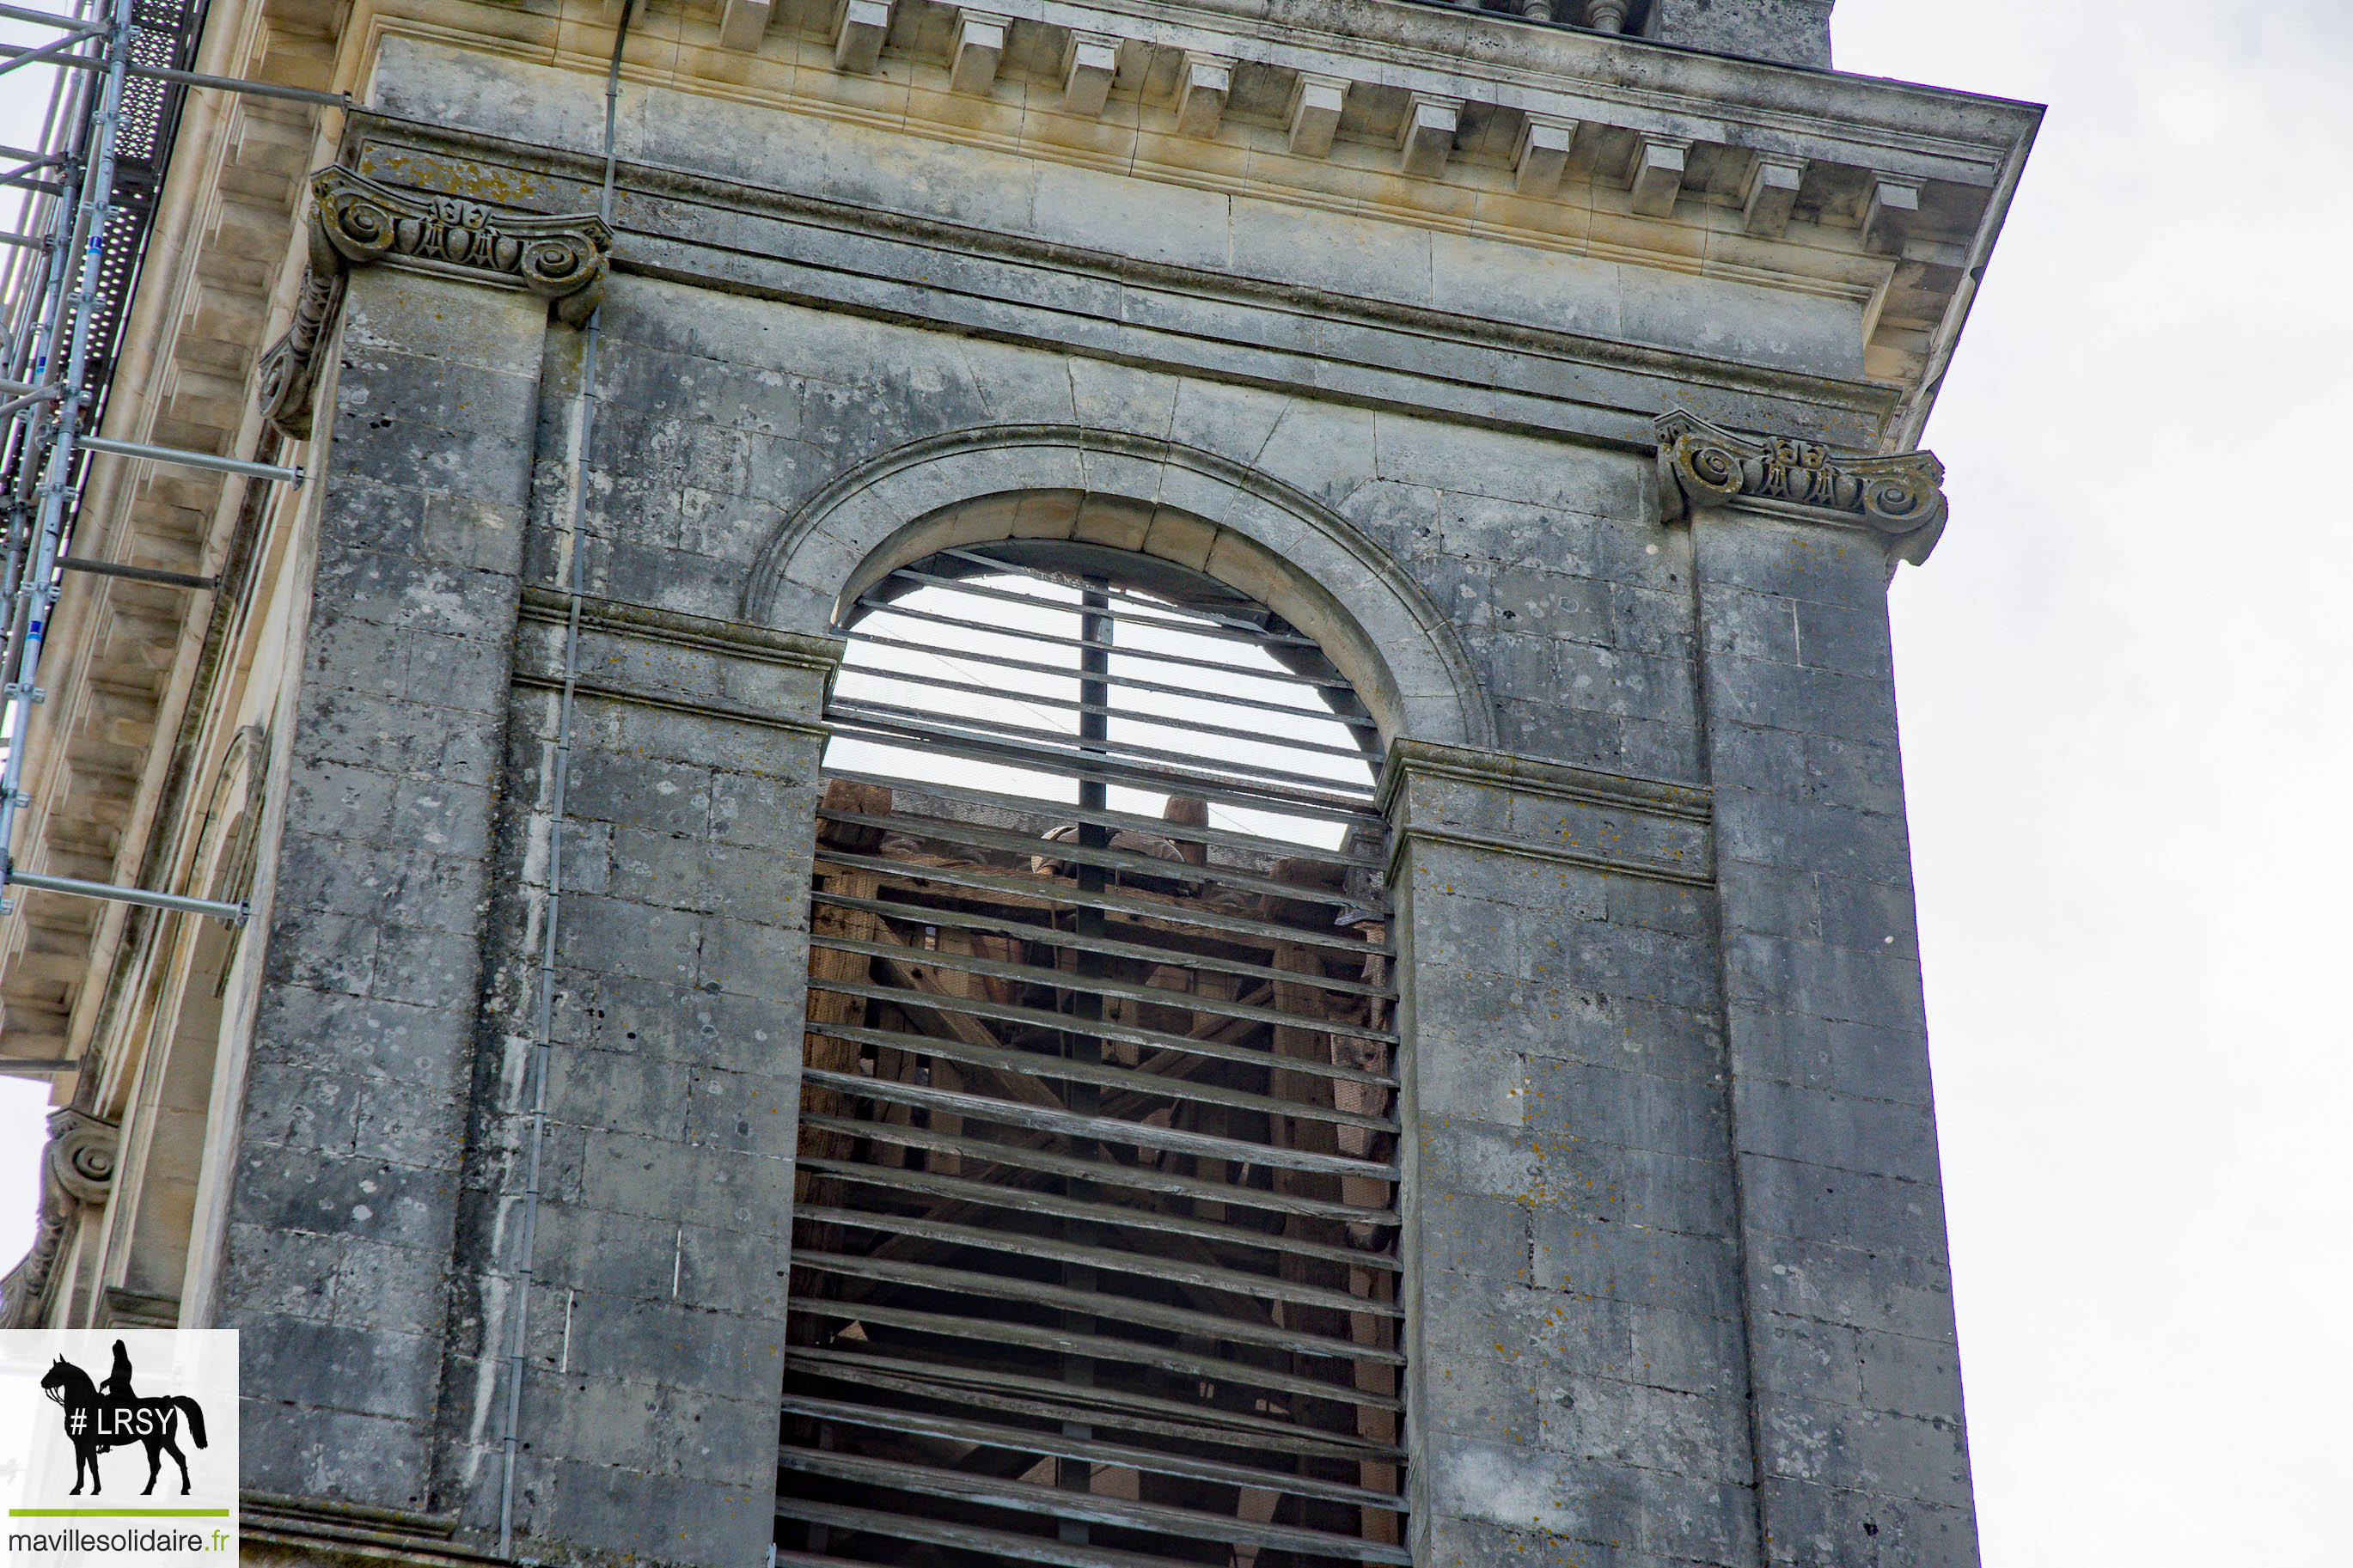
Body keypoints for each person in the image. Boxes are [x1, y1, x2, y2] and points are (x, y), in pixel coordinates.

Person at [100, 1339, 135, 1403]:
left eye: (115, 1354)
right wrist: (106, 1382)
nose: (114, 1356)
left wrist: (106, 1382)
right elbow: (114, 1378)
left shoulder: (125, 1364)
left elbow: (119, 1380)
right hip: (116, 1393)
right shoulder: (118, 1363)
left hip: (122, 1394)